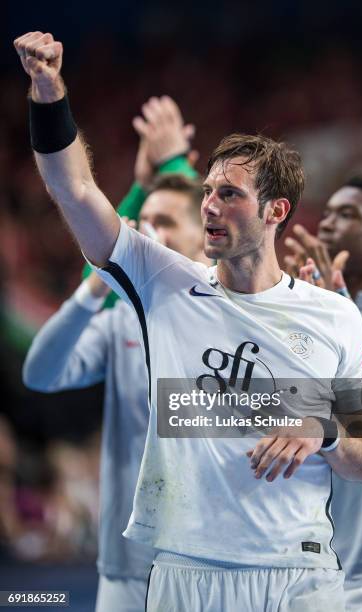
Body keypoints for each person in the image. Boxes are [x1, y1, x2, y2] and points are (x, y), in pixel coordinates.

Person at [14, 31, 362, 612]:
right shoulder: (163, 281)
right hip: (184, 575)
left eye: (230, 194)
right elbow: (73, 188)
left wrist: (325, 430)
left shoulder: (334, 315)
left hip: (301, 577)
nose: (210, 205)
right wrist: (48, 90)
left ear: (276, 211)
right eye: (208, 191)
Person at [22, 94, 207, 611]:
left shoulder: (235, 314)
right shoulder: (122, 320)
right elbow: (40, 375)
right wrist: (92, 290)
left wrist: (173, 165)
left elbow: (361, 424)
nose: (150, 233)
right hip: (125, 572)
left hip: (216, 567)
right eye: (145, 225)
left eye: (168, 225)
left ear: (206, 239)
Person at [285, 177, 362, 611]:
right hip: (310, 565)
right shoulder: (309, 315)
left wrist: (336, 312)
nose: (327, 224)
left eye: (347, 214)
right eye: (329, 212)